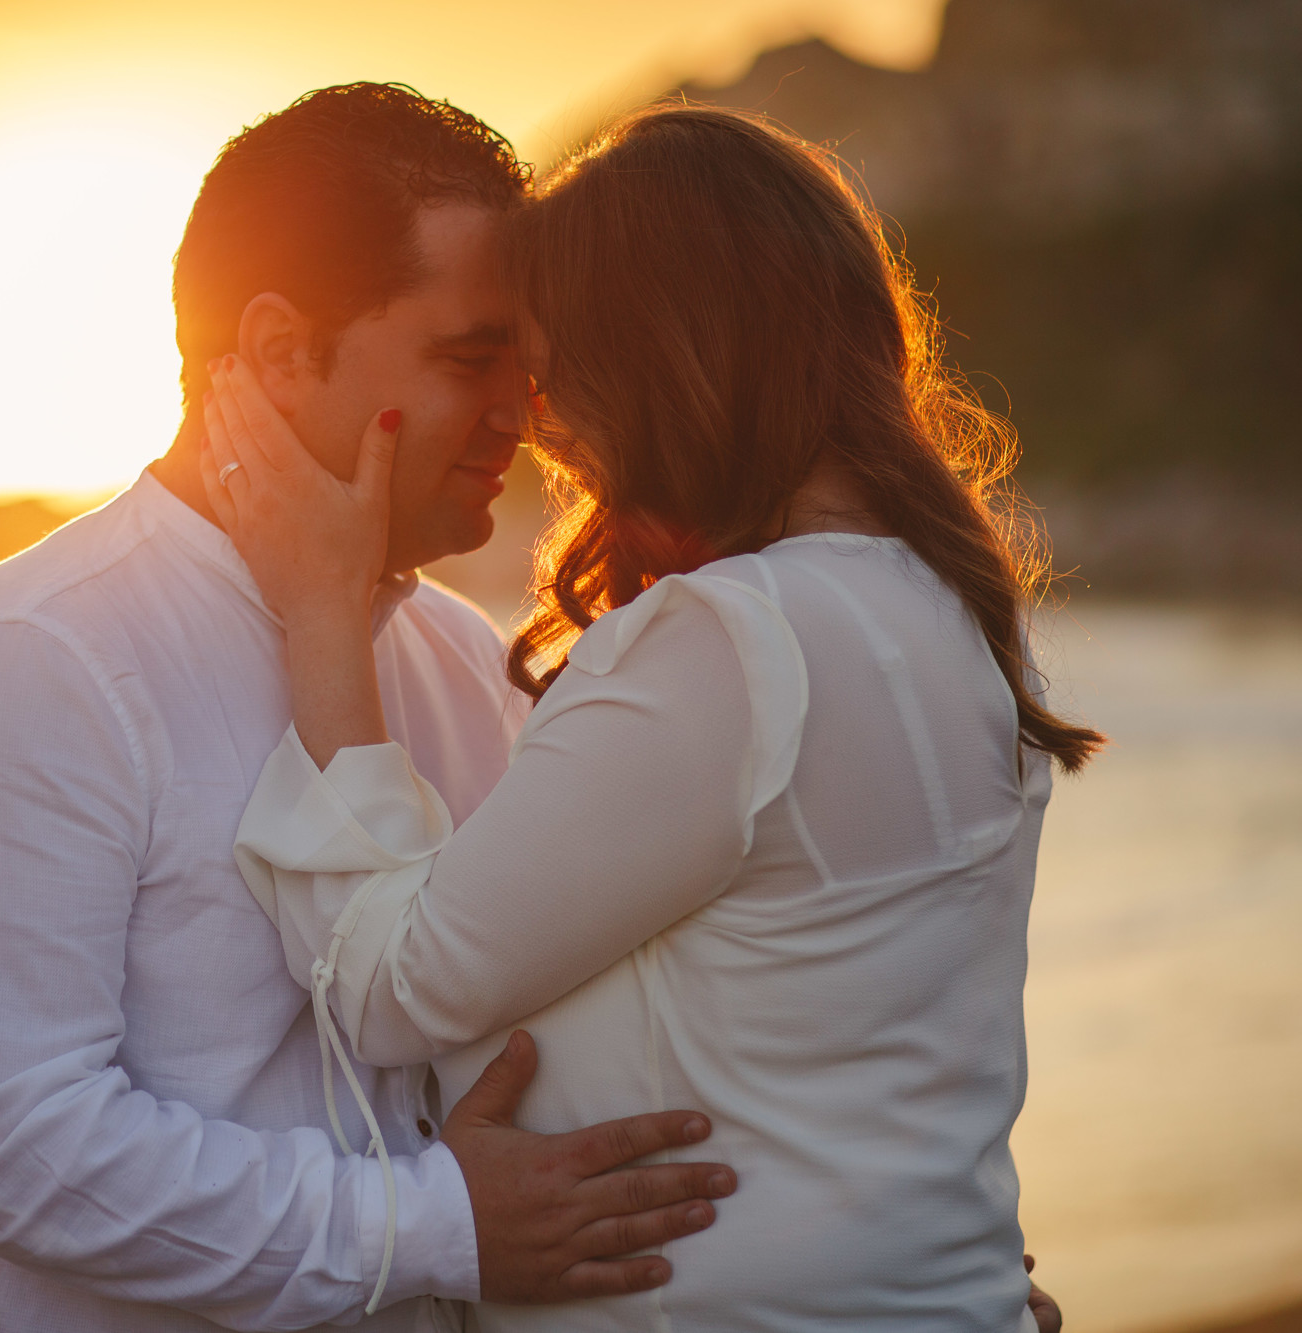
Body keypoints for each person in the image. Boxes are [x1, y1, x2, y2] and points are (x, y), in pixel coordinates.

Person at [0, 83, 736, 1333]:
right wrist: (435, 1228)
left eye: (525, 365)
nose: (520, 414)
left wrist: (892, 1263)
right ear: (282, 349)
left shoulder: (466, 668)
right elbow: (10, 1143)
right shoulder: (25, 663)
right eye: (471, 360)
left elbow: (558, 1065)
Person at [205, 104, 1095, 1331]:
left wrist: (319, 610)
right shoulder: (942, 612)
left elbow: (387, 988)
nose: (543, 427)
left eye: (551, 367)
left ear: (662, 351)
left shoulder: (731, 639)